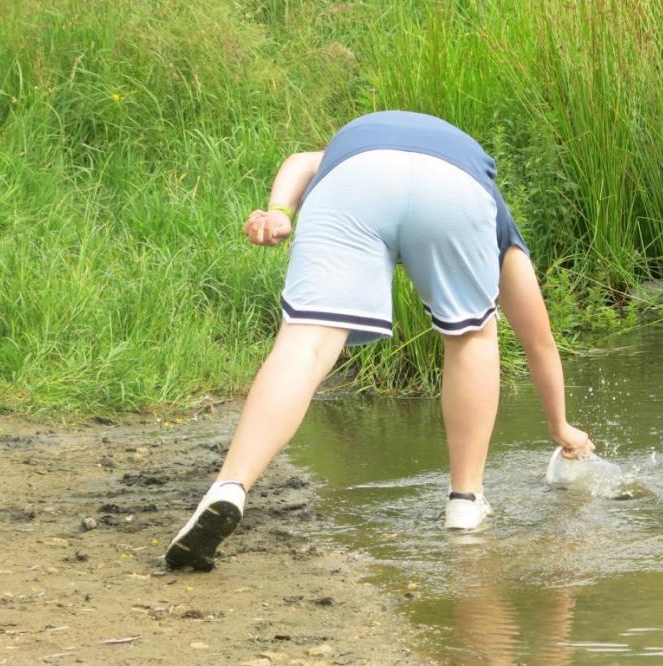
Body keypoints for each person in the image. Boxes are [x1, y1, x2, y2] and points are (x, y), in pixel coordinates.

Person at [165, 110, 594, 571]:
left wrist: (280, 212)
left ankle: (230, 487)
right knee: (471, 336)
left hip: (354, 177)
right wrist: (560, 426)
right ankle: (465, 501)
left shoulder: (359, 143)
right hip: (453, 191)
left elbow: (301, 161)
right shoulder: (491, 204)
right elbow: (539, 342)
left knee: (305, 343)